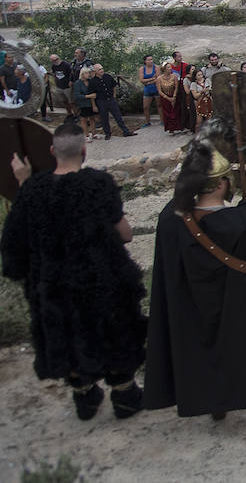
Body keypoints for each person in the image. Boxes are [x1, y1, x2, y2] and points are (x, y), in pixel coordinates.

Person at [1, 122, 146, 420]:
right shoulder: (97, 183)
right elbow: (125, 234)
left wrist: (23, 182)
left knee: (67, 333)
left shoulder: (33, 190)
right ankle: (124, 395)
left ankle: (84, 396)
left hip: (54, 284)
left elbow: (15, 240)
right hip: (101, 278)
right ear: (84, 150)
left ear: (52, 151)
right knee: (114, 331)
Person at [144, 142, 246, 423]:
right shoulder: (236, 222)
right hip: (238, 300)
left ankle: (216, 402)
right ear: (222, 183)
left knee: (205, 345)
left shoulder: (171, 217)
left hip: (193, 300)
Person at [91, 63, 134, 140]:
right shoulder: (93, 81)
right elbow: (92, 95)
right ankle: (107, 134)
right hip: (101, 102)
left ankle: (126, 131)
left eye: (102, 68)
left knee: (118, 116)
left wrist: (114, 95)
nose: (102, 70)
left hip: (111, 100)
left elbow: (113, 85)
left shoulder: (108, 77)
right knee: (104, 119)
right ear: (95, 71)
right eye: (99, 69)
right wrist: (94, 105)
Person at [157, 61, 185, 134]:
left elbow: (176, 87)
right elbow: (159, 91)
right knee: (167, 113)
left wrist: (174, 96)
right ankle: (170, 128)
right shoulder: (159, 78)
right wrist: (167, 98)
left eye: (171, 67)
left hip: (174, 95)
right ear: (164, 69)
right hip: (165, 98)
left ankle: (179, 126)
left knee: (176, 111)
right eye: (168, 67)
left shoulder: (174, 76)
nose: (170, 69)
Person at [48, 53, 75, 119]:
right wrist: (55, 82)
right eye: (53, 61)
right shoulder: (54, 66)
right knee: (64, 101)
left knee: (72, 102)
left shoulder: (66, 65)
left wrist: (71, 81)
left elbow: (72, 74)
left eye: (55, 60)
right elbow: (55, 74)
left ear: (58, 58)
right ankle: (69, 113)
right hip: (59, 86)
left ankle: (76, 114)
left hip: (67, 86)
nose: (55, 61)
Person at [74, 66, 98, 141]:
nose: (89, 74)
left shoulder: (90, 81)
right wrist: (88, 96)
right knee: (84, 119)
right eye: (87, 73)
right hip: (82, 103)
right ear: (83, 74)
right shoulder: (78, 83)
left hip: (90, 103)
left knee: (92, 118)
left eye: (89, 73)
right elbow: (77, 95)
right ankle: (86, 135)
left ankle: (94, 133)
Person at [140, 54, 158, 128]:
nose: (151, 61)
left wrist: (147, 82)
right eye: (149, 60)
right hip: (147, 89)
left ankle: (163, 121)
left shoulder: (156, 67)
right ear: (145, 61)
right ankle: (148, 122)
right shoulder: (142, 69)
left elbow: (158, 78)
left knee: (159, 105)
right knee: (146, 107)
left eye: (151, 59)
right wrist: (151, 79)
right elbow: (141, 80)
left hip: (157, 87)